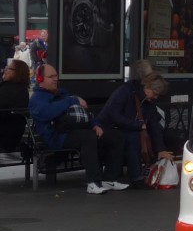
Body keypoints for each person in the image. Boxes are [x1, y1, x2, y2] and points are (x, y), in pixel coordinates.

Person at [28, 63, 124, 195]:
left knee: (115, 137)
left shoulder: (63, 93)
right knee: (87, 137)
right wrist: (71, 100)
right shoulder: (37, 99)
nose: (55, 79)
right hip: (57, 136)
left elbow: (82, 112)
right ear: (40, 79)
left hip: (75, 130)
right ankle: (93, 182)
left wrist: (94, 124)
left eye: (56, 75)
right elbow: (47, 113)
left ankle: (109, 178)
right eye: (51, 76)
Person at [99, 69, 172, 189]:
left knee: (136, 136)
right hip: (109, 128)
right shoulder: (125, 91)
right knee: (132, 138)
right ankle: (136, 178)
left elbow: (154, 124)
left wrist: (161, 149)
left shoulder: (146, 99)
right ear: (147, 87)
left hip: (125, 127)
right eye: (155, 94)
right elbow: (113, 114)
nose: (155, 97)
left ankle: (138, 175)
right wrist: (137, 125)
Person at [0, 59, 30, 153]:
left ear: (17, 73)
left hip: (4, 136)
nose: (5, 70)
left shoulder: (10, 90)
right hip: (12, 136)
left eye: (9, 68)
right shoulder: (21, 89)